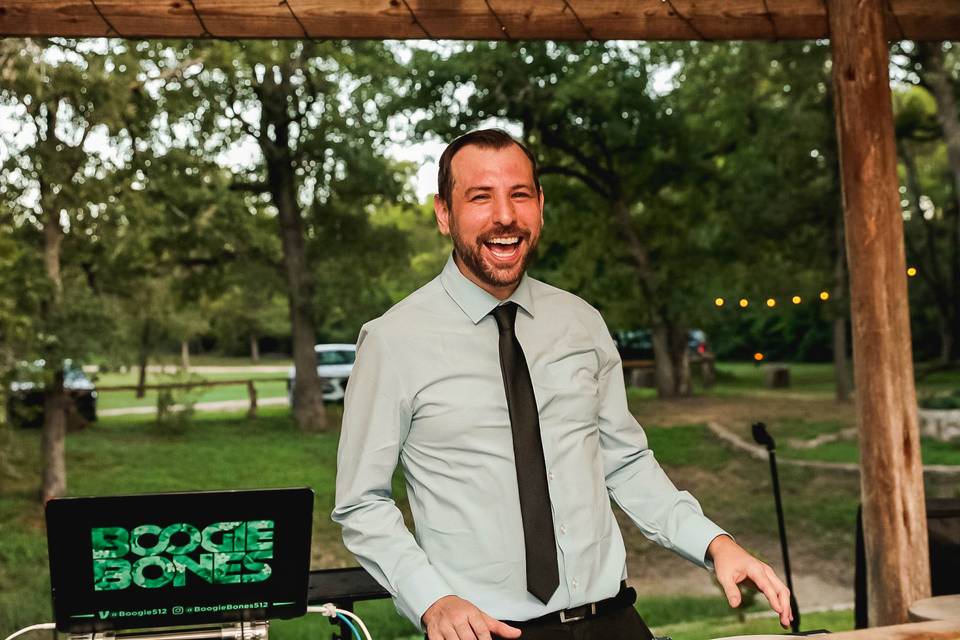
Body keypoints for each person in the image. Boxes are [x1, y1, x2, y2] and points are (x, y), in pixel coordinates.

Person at [333, 129, 792, 640]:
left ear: (541, 207)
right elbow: (361, 503)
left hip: (613, 621)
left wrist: (716, 544)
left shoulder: (582, 323)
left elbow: (627, 462)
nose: (505, 216)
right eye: (480, 197)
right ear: (444, 213)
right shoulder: (392, 341)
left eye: (520, 194)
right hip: (488, 633)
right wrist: (431, 600)